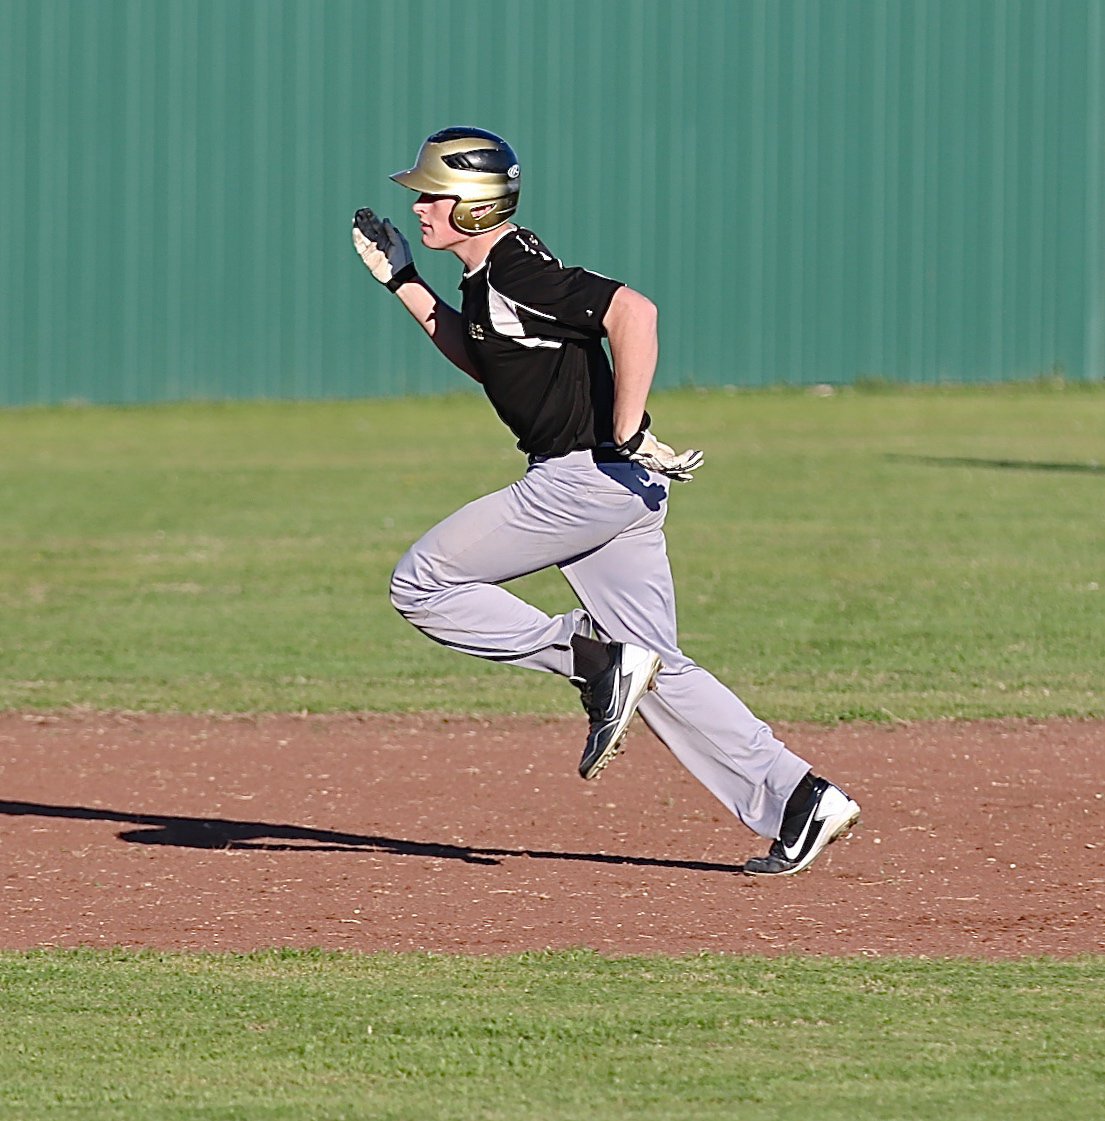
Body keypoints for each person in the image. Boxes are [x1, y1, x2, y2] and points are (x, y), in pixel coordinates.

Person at [351, 126, 860, 875]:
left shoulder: (515, 270)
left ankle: (594, 661)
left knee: (422, 584)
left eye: (433, 195)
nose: (420, 208)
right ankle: (798, 798)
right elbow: (487, 359)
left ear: (476, 206)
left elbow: (635, 312)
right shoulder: (490, 278)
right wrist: (403, 281)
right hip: (615, 490)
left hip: (580, 481)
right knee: (660, 667)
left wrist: (627, 425)